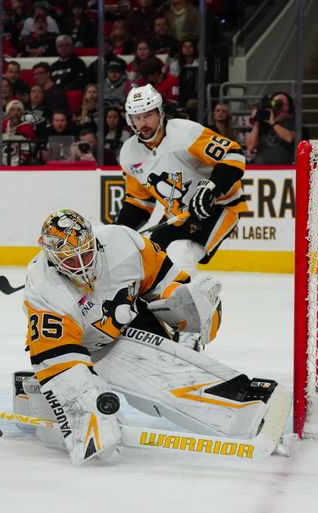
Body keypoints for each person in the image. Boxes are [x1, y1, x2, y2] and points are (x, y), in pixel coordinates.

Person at [18, 209, 288, 465]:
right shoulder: (45, 290)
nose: (80, 267)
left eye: (85, 255)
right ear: (53, 259)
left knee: (166, 375)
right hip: (85, 349)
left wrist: (181, 301)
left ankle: (249, 408)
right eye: (70, 261)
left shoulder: (123, 242)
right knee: (93, 436)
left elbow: (164, 280)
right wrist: (84, 410)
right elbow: (58, 359)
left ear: (94, 242)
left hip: (130, 324)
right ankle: (35, 392)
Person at [115, 84, 248, 287]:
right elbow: (139, 202)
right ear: (130, 120)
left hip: (218, 207)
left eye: (148, 115)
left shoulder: (185, 132)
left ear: (160, 113)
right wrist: (118, 232)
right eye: (137, 117)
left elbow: (233, 154)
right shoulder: (129, 152)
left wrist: (211, 187)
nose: (143, 123)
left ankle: (199, 309)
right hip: (176, 217)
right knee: (152, 261)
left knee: (181, 251)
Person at [245, 91, 297, 165]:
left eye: (282, 103)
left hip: (284, 169)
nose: (279, 105)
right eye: (276, 102)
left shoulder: (291, 123)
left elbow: (289, 138)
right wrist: (257, 120)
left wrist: (272, 122)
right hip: (262, 169)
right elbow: (250, 147)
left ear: (288, 107)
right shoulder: (263, 124)